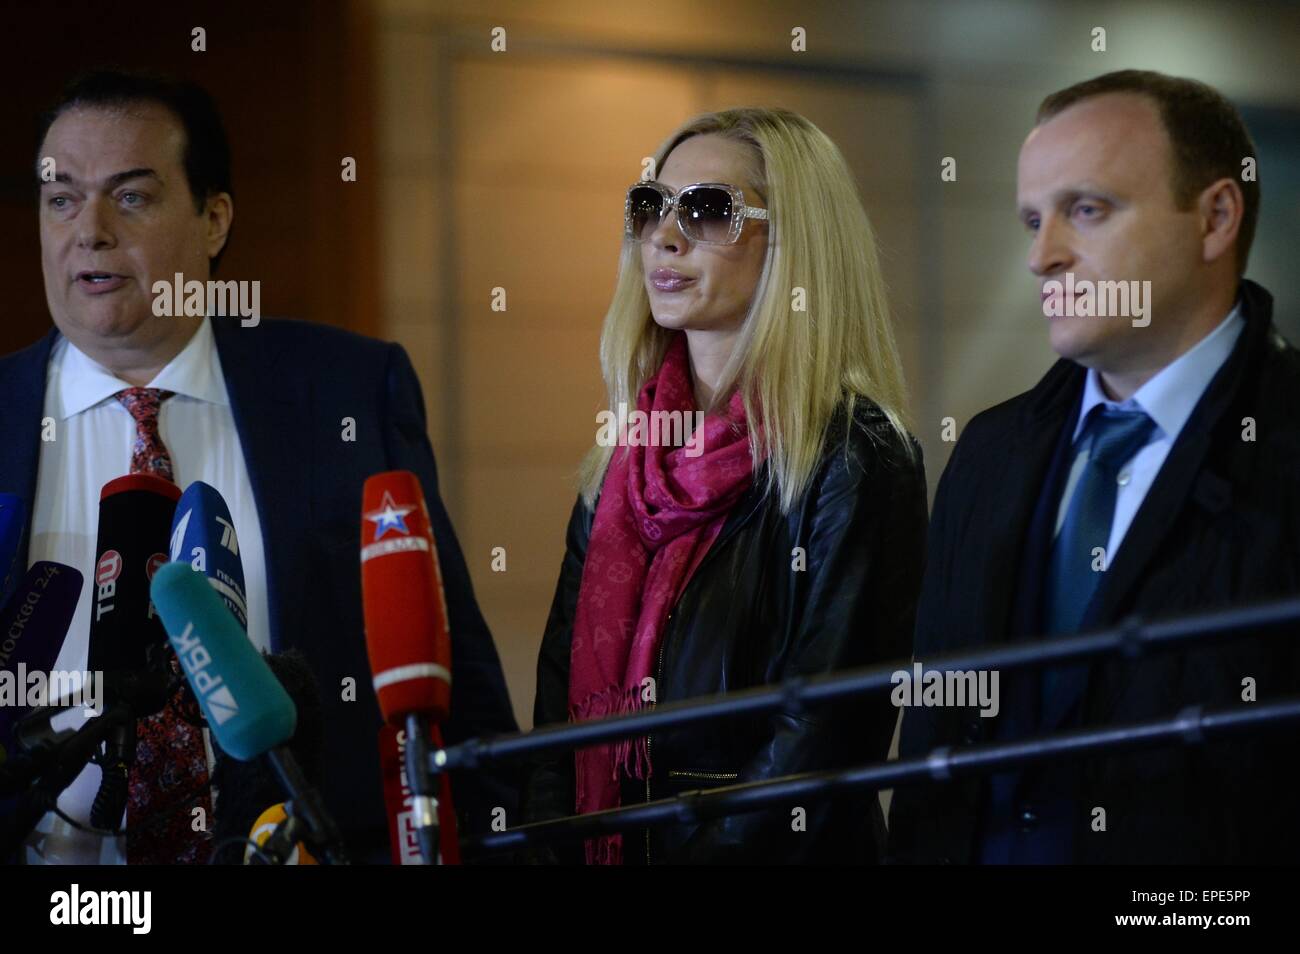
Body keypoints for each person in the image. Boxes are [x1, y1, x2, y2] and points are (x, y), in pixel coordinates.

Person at [0, 69, 517, 863]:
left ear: (214, 219)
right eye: (60, 198)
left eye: (130, 196)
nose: (89, 230)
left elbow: (452, 683)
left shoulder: (346, 389)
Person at [888, 70, 1300, 864]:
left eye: (1087, 210)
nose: (1042, 258)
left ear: (1215, 217)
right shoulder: (988, 451)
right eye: (1033, 220)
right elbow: (934, 732)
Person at [521, 106, 927, 864]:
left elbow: (820, 743)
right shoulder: (623, 460)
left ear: (797, 244)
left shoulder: (856, 456)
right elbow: (555, 727)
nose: (665, 237)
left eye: (709, 210)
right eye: (651, 207)